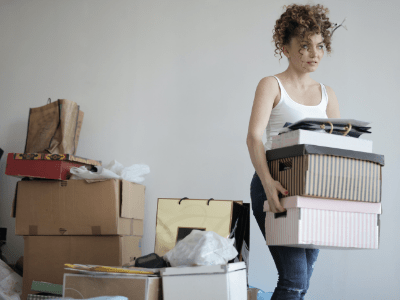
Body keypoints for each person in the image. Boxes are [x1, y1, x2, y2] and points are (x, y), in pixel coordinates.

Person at [246, 4, 341, 300]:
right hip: (276, 184)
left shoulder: (328, 94)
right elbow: (253, 137)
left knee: (303, 279)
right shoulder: (271, 85)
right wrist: (267, 184)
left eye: (319, 45)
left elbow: (336, 148)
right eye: (304, 46)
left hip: (314, 191)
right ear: (285, 48)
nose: (314, 53)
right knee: (294, 279)